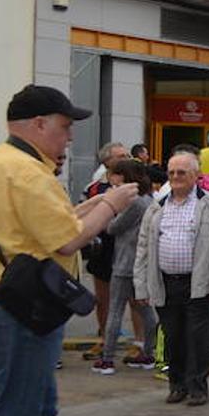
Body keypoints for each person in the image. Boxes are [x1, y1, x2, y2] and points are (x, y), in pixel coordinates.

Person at [0, 85, 139, 416]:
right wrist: (112, 204)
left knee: (38, 410)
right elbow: (69, 238)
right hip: (22, 311)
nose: (70, 135)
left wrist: (88, 206)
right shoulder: (27, 172)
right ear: (37, 125)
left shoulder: (2, 163)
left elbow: (50, 222)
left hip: (9, 301)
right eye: (64, 125)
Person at [133, 152, 209, 407]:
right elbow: (143, 248)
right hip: (166, 283)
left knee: (199, 338)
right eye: (171, 173)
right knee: (172, 337)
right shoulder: (157, 206)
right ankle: (176, 385)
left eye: (182, 172)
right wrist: (141, 285)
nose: (176, 177)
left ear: (195, 175)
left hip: (200, 283)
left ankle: (198, 387)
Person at [94, 159, 159, 375]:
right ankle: (149, 353)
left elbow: (112, 228)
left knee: (116, 310)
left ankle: (107, 359)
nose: (111, 179)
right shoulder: (149, 200)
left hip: (125, 263)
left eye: (115, 174)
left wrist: (110, 211)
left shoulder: (134, 202)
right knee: (145, 310)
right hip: (141, 264)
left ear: (125, 176)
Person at [80, 142, 129, 357]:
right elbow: (84, 214)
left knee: (136, 301)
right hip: (103, 250)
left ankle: (140, 344)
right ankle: (104, 339)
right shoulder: (93, 188)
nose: (126, 157)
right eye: (120, 155)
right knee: (103, 298)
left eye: (127, 154)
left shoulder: (136, 184)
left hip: (129, 249)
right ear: (107, 161)